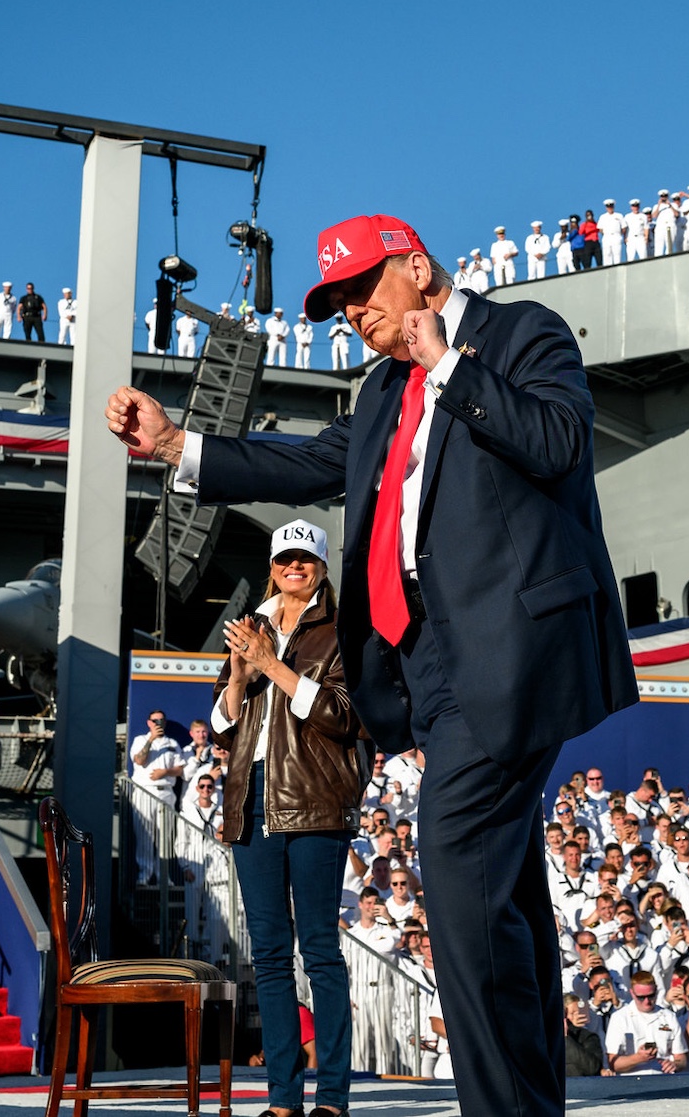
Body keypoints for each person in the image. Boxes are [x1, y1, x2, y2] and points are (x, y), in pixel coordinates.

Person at [107, 213, 635, 1117]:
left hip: (511, 654)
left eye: (361, 289)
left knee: (461, 868)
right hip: (427, 668)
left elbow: (560, 443)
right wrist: (175, 445)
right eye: (337, 300)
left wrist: (450, 367)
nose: (351, 311)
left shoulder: (520, 332)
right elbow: (308, 459)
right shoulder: (382, 393)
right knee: (504, 896)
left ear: (417, 268)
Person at [215, 519, 361, 1117]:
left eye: (305, 559)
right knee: (270, 959)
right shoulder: (250, 628)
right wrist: (242, 672)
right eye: (283, 560)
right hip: (252, 804)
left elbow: (342, 716)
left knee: (321, 952)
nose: (293, 568)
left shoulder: (342, 630)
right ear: (272, 567)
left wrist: (272, 666)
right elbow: (224, 725)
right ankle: (282, 1102)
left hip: (315, 803)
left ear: (322, 567)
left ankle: (332, 1099)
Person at [128, 710, 184, 885]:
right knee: (145, 835)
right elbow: (138, 760)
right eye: (155, 720)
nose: (158, 723)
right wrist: (151, 740)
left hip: (166, 792)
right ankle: (145, 874)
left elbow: (180, 769)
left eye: (161, 720)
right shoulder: (140, 740)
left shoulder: (172, 743)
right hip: (145, 791)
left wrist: (165, 772)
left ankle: (163, 875)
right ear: (149, 722)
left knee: (165, 836)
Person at [606, 971, 685, 1074]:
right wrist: (638, 1058)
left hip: (663, 1080)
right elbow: (613, 1063)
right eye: (641, 997)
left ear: (656, 991)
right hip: (632, 1083)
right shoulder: (619, 1018)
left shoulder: (669, 1017)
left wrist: (675, 1064)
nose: (647, 1001)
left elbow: (681, 1057)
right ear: (632, 993)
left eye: (651, 996)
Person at [563, 997, 610, 1077]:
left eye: (579, 1012)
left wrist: (566, 1039)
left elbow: (593, 1067)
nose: (578, 1016)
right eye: (573, 1013)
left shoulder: (589, 1037)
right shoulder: (551, 1039)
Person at [598, 200, 625, 267]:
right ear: (606, 208)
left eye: (611, 206)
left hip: (616, 236)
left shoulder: (619, 215)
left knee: (617, 255)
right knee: (607, 255)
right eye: (608, 206)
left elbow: (624, 228)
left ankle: (617, 269)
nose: (610, 208)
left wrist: (619, 235)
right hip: (607, 236)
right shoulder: (603, 217)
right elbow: (600, 229)